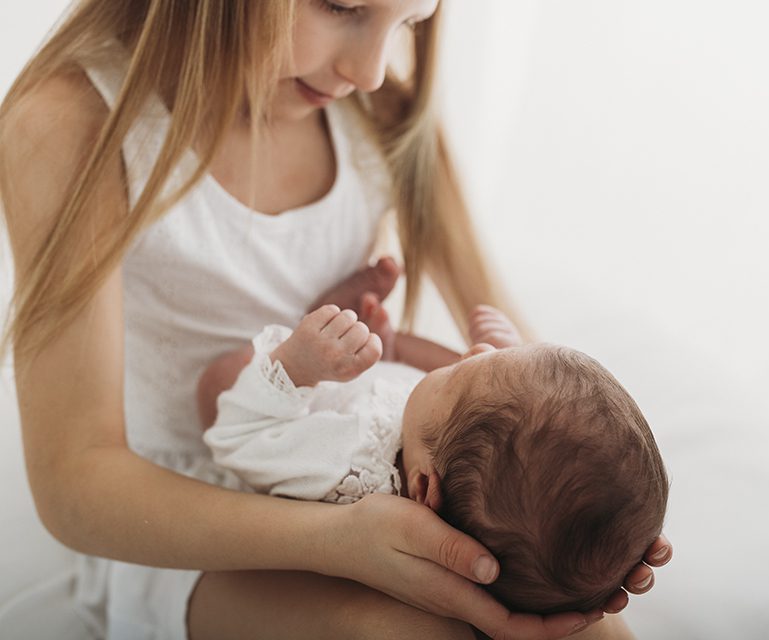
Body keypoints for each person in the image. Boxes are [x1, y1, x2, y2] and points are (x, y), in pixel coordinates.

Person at [0, 1, 672, 638]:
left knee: (588, 626)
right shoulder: (72, 124)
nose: (372, 69)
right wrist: (346, 545)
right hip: (181, 523)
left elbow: (516, 363)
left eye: (408, 19)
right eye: (343, 7)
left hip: (371, 490)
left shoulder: (378, 107)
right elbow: (76, 487)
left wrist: (583, 518)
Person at [199, 296, 669, 618]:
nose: (474, 349)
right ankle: (357, 335)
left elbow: (238, 436)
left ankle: (318, 343)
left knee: (218, 378)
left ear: (422, 488)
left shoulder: (344, 468)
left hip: (265, 422)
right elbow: (494, 417)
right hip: (372, 393)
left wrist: (299, 367)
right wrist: (508, 368)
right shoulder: (443, 450)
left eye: (458, 372)